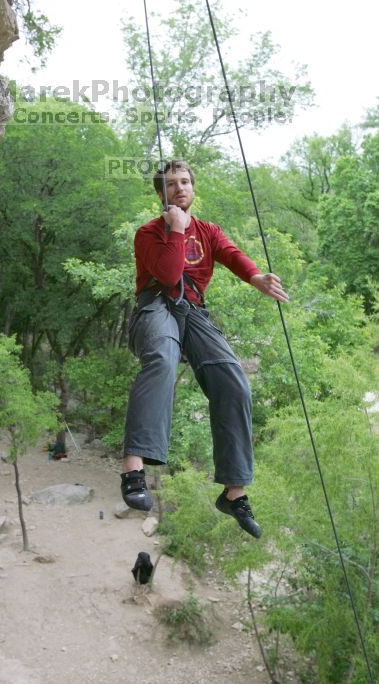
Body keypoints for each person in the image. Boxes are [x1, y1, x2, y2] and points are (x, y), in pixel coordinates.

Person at [120, 160, 289, 538]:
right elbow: (166, 274)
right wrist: (176, 230)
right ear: (160, 194)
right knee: (161, 360)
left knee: (234, 383)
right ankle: (133, 469)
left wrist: (256, 277)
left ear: (193, 188)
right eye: (171, 184)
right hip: (157, 305)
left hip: (193, 310)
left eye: (185, 182)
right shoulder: (148, 233)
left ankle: (234, 491)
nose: (180, 188)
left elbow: (230, 253)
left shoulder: (208, 231)